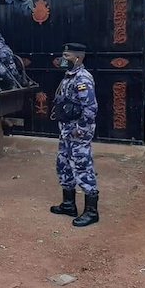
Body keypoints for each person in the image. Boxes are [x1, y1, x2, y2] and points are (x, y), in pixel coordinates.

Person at [50, 43, 99, 227]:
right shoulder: (68, 76)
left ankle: (91, 212)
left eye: (66, 56)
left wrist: (81, 129)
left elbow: (90, 108)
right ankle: (69, 204)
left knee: (82, 167)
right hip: (66, 130)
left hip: (78, 131)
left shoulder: (83, 79)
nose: (63, 60)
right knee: (63, 165)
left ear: (77, 58)